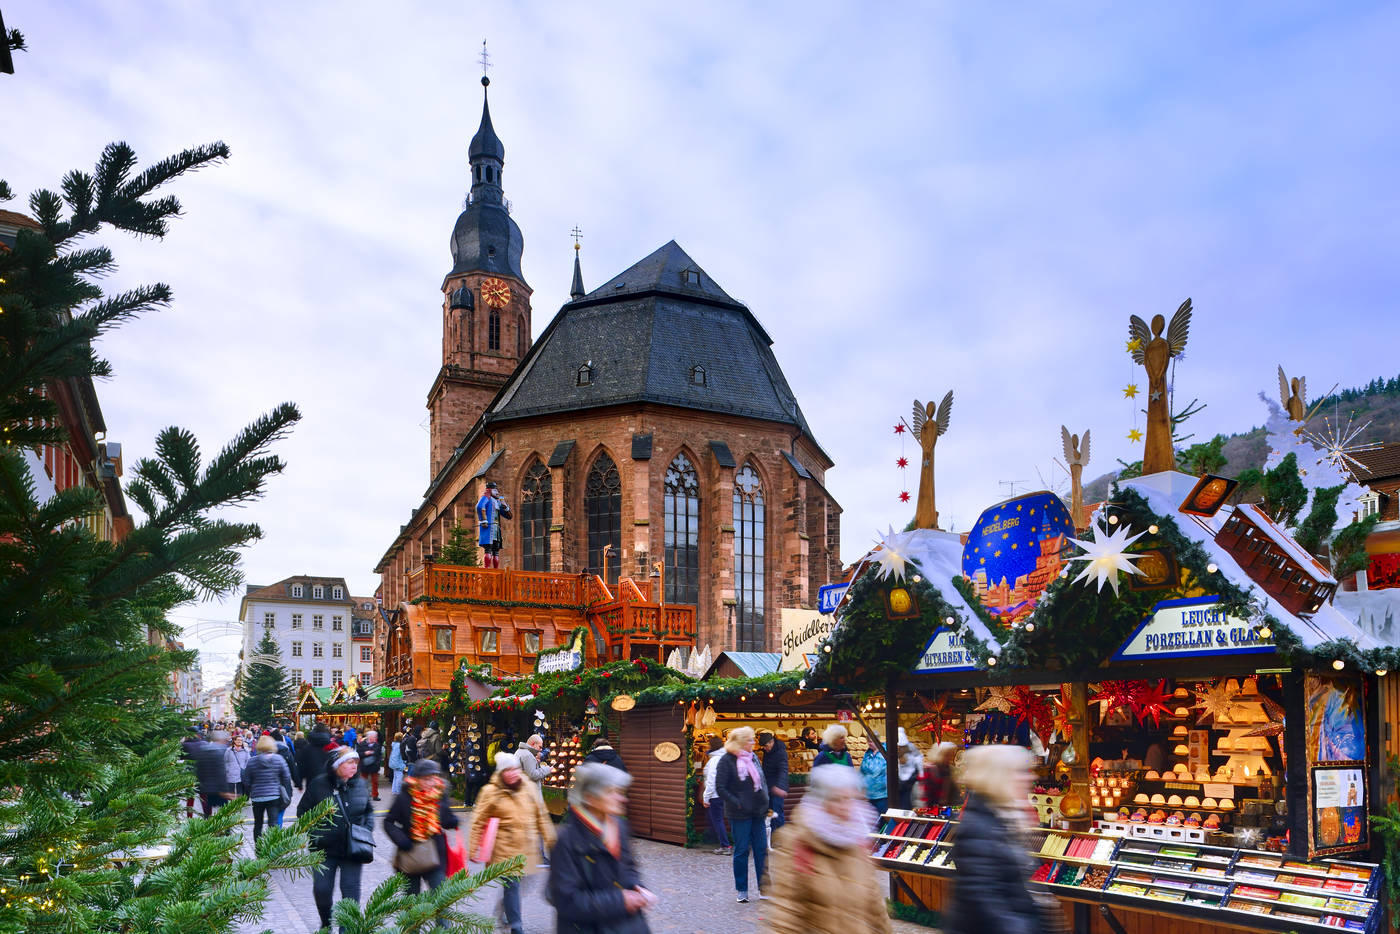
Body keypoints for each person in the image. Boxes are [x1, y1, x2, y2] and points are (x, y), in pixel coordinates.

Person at [765, 764, 892, 934]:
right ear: (821, 801)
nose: (845, 806)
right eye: (837, 799)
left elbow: (875, 906)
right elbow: (786, 912)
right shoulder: (799, 844)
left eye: (849, 799)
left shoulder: (856, 842)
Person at [946, 745, 1045, 934]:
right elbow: (982, 898)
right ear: (1000, 777)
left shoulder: (1003, 818)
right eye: (1020, 772)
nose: (1030, 778)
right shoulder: (977, 827)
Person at [548, 762, 656, 933]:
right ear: (590, 798)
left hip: (626, 925)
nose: (622, 798)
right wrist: (621, 901)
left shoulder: (619, 825)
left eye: (620, 792)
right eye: (612, 792)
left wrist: (637, 886)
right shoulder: (566, 840)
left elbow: (628, 867)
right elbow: (566, 901)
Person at [468, 751, 556, 934]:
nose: (512, 773)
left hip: (527, 848)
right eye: (507, 770)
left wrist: (552, 843)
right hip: (504, 849)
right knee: (513, 885)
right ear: (501, 773)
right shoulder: (490, 792)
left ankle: (504, 911)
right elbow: (478, 821)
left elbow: (541, 816)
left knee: (525, 884)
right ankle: (516, 926)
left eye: (515, 769)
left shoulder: (528, 788)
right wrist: (473, 848)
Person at [299, 746, 375, 933]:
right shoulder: (318, 784)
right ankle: (326, 922)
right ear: (336, 765)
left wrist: (365, 831)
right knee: (322, 891)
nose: (354, 766)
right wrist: (317, 833)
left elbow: (369, 811)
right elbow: (302, 813)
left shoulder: (360, 784)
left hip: (352, 849)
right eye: (350, 762)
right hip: (323, 849)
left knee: (350, 893)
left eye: (356, 762)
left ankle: (346, 929)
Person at [384, 759, 460, 911]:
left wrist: (453, 821)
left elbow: (445, 819)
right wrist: (402, 840)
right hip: (409, 855)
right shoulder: (404, 797)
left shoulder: (439, 795)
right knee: (412, 904)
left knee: (442, 899)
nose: (430, 782)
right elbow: (388, 822)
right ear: (417, 779)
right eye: (426, 778)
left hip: (436, 856)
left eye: (433, 777)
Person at [715, 726, 769, 903]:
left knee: (761, 849)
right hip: (739, 813)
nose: (754, 743)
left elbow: (761, 781)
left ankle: (764, 887)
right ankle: (742, 889)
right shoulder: (727, 760)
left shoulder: (753, 758)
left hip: (757, 811)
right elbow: (720, 788)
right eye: (751, 740)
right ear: (741, 742)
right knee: (742, 850)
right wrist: (737, 802)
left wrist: (765, 801)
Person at [243, 735, 293, 843]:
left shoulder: (252, 761)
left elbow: (246, 780)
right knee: (273, 823)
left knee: (258, 823)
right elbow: (286, 776)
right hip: (274, 796)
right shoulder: (278, 759)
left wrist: (250, 791)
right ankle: (272, 845)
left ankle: (258, 846)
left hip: (257, 797)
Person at [701, 735, 731, 855]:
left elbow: (711, 780)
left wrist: (706, 797)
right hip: (726, 794)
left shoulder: (714, 760)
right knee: (724, 819)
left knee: (717, 820)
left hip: (716, 795)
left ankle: (725, 846)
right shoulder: (726, 757)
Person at [194, 730, 233, 817]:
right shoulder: (219, 752)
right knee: (225, 813)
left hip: (206, 787)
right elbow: (221, 772)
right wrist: (225, 790)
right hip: (219, 788)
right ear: (221, 740)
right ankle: (225, 830)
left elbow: (199, 770)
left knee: (207, 812)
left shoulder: (203, 751)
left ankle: (207, 828)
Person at [758, 730, 790, 830]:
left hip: (777, 789)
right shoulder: (768, 751)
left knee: (777, 813)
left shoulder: (780, 753)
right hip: (769, 787)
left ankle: (781, 838)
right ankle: (772, 836)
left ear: (771, 742)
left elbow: (783, 770)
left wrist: (779, 786)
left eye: (765, 746)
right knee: (771, 813)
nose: (764, 748)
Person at [476, 480, 511, 569]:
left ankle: (496, 569)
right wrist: (483, 520)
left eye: (497, 489)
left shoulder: (497, 502)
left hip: (496, 529)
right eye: (495, 489)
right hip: (488, 528)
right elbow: (479, 506)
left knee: (496, 550)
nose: (497, 492)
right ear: (490, 490)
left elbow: (508, 516)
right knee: (488, 549)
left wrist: (505, 506)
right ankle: (487, 568)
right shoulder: (486, 498)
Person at [298, 722, 336, 791]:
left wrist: (299, 783)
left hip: (311, 780)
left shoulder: (306, 748)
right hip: (328, 781)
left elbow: (301, 766)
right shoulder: (332, 747)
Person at [921, 742, 959, 808]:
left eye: (951, 755)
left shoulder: (949, 769)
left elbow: (954, 792)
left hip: (944, 807)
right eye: (948, 755)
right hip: (929, 808)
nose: (950, 757)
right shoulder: (928, 769)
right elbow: (922, 794)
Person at [895, 728, 924, 810]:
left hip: (909, 782)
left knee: (906, 803)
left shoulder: (910, 747)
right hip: (899, 781)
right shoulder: (892, 748)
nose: (899, 748)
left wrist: (921, 774)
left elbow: (918, 759)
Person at [860, 738, 888, 813]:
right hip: (869, 795)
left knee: (881, 819)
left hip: (882, 795)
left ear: (877, 741)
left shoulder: (885, 752)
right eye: (868, 741)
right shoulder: (868, 753)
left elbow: (877, 771)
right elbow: (862, 770)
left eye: (871, 741)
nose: (869, 743)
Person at [357, 730, 383, 800]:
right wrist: (365, 753)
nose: (375, 738)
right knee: (363, 782)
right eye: (374, 737)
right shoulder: (362, 744)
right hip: (364, 766)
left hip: (374, 766)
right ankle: (364, 795)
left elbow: (379, 755)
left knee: (375, 782)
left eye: (375, 737)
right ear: (369, 737)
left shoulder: (377, 744)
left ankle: (375, 796)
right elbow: (358, 754)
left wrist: (377, 763)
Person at [225, 733, 251, 799]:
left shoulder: (246, 751)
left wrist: (244, 769)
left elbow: (248, 761)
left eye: (241, 740)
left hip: (241, 774)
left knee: (240, 791)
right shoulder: (229, 750)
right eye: (238, 740)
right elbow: (225, 761)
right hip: (231, 773)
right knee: (231, 792)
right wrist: (227, 770)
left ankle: (239, 805)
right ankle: (231, 806)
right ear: (234, 741)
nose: (239, 741)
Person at [388, 730, 406, 796]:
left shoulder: (394, 745)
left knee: (395, 777)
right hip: (398, 764)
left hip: (394, 763)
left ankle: (394, 790)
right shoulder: (399, 746)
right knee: (399, 778)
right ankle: (398, 791)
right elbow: (397, 756)